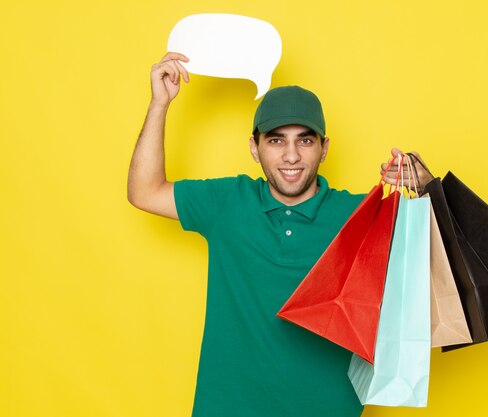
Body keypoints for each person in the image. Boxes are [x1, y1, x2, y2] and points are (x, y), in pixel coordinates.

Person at [128, 52, 433, 417]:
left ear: (324, 148)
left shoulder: (361, 214)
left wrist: (428, 189)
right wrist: (160, 103)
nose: (291, 155)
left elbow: (443, 260)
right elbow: (144, 191)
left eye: (305, 141)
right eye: (276, 141)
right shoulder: (227, 202)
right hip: (226, 408)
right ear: (254, 148)